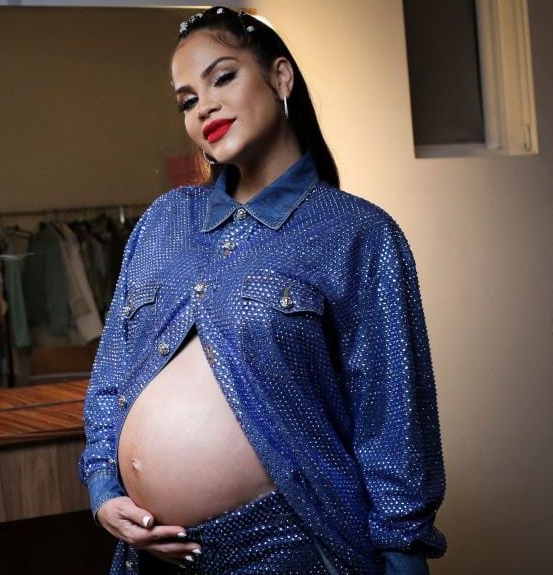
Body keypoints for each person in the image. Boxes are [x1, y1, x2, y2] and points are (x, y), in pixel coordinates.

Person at [79, 7, 445, 575]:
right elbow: (112, 375)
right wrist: (104, 489)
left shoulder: (357, 233)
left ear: (280, 77)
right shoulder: (165, 222)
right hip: (151, 558)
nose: (204, 107)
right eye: (186, 100)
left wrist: (403, 559)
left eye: (222, 78)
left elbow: (392, 426)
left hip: (290, 550)